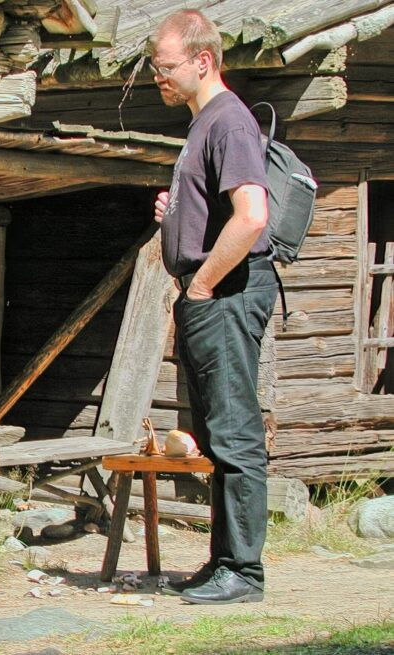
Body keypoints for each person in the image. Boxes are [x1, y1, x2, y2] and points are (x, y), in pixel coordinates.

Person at [150, 10, 278, 604]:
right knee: (216, 434)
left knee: (234, 432)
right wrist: (176, 211)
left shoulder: (228, 120)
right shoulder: (205, 123)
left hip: (224, 295)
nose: (159, 77)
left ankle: (244, 573)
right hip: (211, 296)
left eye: (166, 66)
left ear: (203, 61)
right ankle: (224, 562)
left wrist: (200, 286)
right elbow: (218, 210)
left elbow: (252, 216)